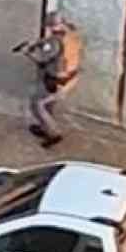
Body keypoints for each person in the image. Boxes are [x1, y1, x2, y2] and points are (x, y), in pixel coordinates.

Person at [21, 12, 83, 149]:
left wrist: (28, 52)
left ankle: (54, 133)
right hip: (71, 78)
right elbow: (50, 44)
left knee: (37, 104)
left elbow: (42, 60)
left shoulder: (54, 42)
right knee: (49, 103)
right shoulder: (71, 34)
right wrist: (38, 43)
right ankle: (45, 127)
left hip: (56, 81)